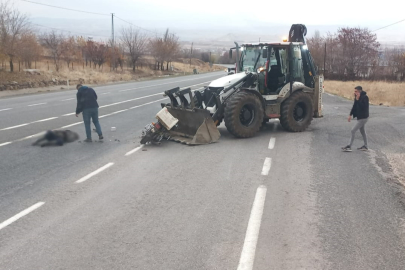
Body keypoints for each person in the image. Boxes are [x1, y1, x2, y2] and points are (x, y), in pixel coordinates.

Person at [342, 86, 369, 152]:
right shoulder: (356, 97)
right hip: (360, 117)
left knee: (353, 130)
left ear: (359, 91)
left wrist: (358, 100)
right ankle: (365, 146)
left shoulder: (365, 97)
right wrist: (350, 115)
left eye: (356, 91)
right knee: (362, 132)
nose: (354, 92)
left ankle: (349, 146)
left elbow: (364, 107)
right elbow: (354, 106)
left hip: (363, 117)